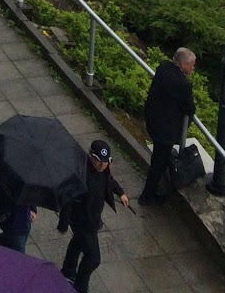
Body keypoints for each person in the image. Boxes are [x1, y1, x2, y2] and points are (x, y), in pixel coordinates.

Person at [57, 139, 127, 292]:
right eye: (98, 161)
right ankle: (80, 286)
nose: (102, 165)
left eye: (105, 162)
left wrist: (120, 192)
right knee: (93, 258)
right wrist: (63, 223)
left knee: (77, 243)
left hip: (93, 219)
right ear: (90, 156)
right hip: (82, 222)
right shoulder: (81, 174)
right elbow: (68, 200)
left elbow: (109, 180)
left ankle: (68, 270)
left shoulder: (103, 173)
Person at [139, 47, 196, 205]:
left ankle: (150, 193)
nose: (193, 68)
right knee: (158, 163)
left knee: (158, 160)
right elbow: (190, 109)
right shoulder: (183, 85)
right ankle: (148, 196)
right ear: (183, 64)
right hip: (166, 130)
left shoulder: (163, 67)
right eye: (192, 64)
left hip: (153, 119)